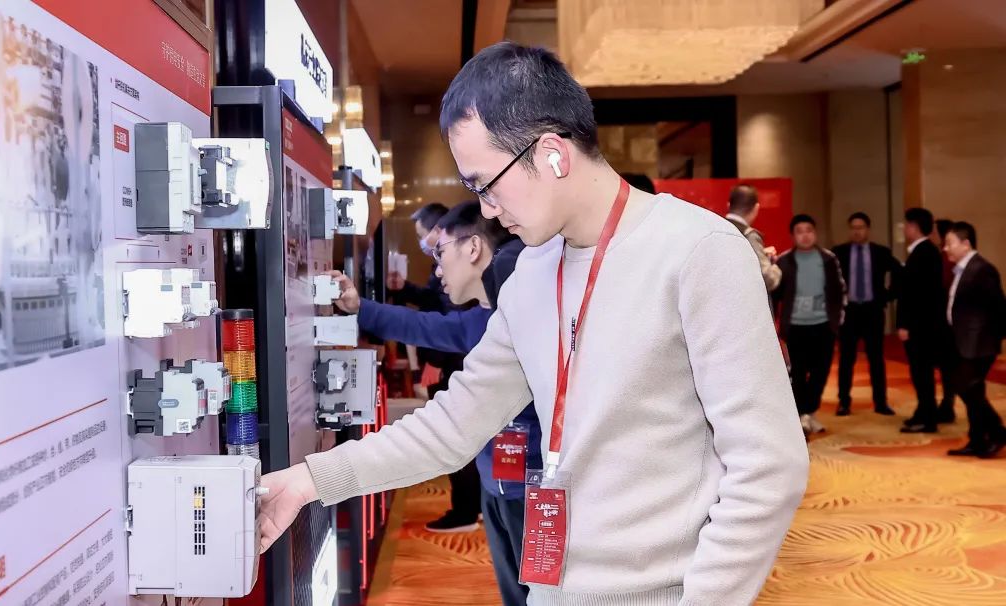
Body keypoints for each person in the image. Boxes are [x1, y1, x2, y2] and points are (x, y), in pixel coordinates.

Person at [259, 42, 808, 605]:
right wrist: (309, 480)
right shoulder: (531, 273)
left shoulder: (698, 251)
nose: (487, 209)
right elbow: (453, 425)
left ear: (552, 154)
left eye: (485, 184)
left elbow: (768, 467)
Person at [332, 201, 540, 605]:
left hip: (531, 487)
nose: (438, 269)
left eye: (440, 252)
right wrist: (360, 308)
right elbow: (427, 326)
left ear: (473, 248)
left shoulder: (526, 316)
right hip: (496, 481)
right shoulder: (484, 318)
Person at [389, 202, 484, 532]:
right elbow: (433, 300)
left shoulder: (452, 264)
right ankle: (472, 506)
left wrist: (434, 361)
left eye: (422, 235)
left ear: (437, 230)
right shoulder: (441, 264)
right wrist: (404, 290)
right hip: (451, 359)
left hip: (449, 362)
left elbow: (449, 317)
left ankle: (465, 511)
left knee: (454, 435)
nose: (422, 243)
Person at [774, 215, 846, 435]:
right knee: (798, 372)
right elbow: (775, 295)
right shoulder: (784, 261)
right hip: (795, 326)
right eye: (800, 231)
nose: (805, 235)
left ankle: (809, 412)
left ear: (815, 233)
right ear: (793, 236)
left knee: (820, 372)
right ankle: (802, 415)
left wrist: (836, 322)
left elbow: (840, 290)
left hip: (823, 325)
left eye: (809, 230)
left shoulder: (828, 259)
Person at [942, 222, 1006, 458]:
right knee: (970, 389)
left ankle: (997, 432)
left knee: (967, 387)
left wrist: (992, 339)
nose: (945, 248)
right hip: (963, 341)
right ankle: (977, 439)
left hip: (980, 343)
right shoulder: (961, 269)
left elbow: (998, 307)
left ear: (966, 244)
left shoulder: (982, 269)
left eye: (949, 243)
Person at [831, 212, 901, 416]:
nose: (856, 231)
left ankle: (881, 402)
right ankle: (844, 402)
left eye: (860, 227)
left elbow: (899, 272)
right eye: (853, 228)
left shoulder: (880, 252)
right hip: (849, 311)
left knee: (876, 358)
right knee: (846, 358)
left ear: (868, 229)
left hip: (872, 310)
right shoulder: (839, 253)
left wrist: (887, 296)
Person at [897, 208, 949, 434]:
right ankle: (923, 411)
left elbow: (918, 296)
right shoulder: (924, 251)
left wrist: (906, 324)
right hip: (923, 325)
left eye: (906, 225)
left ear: (914, 227)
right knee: (920, 373)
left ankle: (928, 417)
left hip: (921, 327)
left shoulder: (924, 253)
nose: (904, 229)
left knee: (922, 373)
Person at [726, 184, 781, 293]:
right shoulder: (749, 236)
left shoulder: (714, 229)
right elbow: (768, 279)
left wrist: (760, 253)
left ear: (728, 205)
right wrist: (774, 267)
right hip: (742, 299)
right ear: (756, 208)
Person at [933, 217, 959, 423]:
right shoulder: (942, 257)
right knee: (948, 366)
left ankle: (948, 404)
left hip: (947, 322)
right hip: (945, 321)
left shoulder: (944, 259)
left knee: (949, 366)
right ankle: (947, 403)